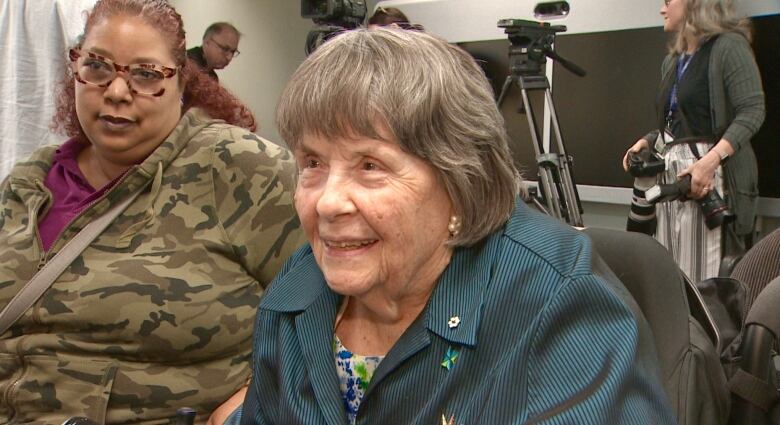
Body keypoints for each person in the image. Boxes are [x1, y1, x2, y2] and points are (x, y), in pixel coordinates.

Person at [238, 27, 675, 425]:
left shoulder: (559, 301)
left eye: (370, 165)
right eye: (312, 163)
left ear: (459, 180)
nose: (328, 202)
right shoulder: (298, 290)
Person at [0, 0, 302, 423]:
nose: (117, 91)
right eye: (97, 67)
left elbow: (340, 307)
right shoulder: (27, 183)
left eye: (145, 75)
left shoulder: (238, 169)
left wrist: (257, 396)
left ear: (182, 82)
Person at [622, 0, 765, 282]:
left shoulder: (728, 47)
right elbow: (678, 123)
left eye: (668, 2)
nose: (662, 9)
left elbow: (752, 111)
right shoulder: (673, 61)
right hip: (674, 185)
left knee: (707, 284)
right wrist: (648, 141)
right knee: (672, 277)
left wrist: (710, 162)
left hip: (711, 183)